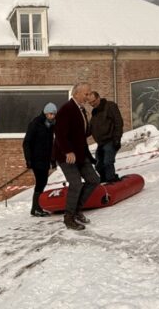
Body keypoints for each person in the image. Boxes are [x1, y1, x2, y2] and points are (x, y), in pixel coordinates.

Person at [52, 83, 101, 231]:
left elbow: (81, 135)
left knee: (94, 180)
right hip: (66, 155)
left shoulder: (82, 110)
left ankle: (77, 210)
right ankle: (69, 218)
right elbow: (59, 134)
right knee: (76, 183)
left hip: (80, 154)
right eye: (86, 94)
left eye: (89, 94)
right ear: (76, 94)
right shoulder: (66, 109)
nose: (88, 97)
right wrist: (68, 151)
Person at [22, 102, 57, 217]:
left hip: (45, 159)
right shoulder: (36, 123)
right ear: (46, 113)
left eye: (54, 114)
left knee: (43, 182)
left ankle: (36, 208)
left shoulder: (50, 125)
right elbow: (26, 142)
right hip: (36, 159)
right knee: (40, 182)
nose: (52, 116)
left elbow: (51, 144)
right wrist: (28, 159)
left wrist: (53, 160)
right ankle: (36, 208)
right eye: (50, 114)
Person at [90, 91, 124, 183]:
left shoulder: (110, 106)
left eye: (93, 101)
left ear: (98, 98)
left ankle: (111, 179)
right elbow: (91, 128)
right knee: (98, 165)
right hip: (101, 143)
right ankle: (104, 180)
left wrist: (117, 138)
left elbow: (118, 122)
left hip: (111, 140)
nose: (92, 104)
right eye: (90, 103)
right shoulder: (95, 112)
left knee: (107, 162)